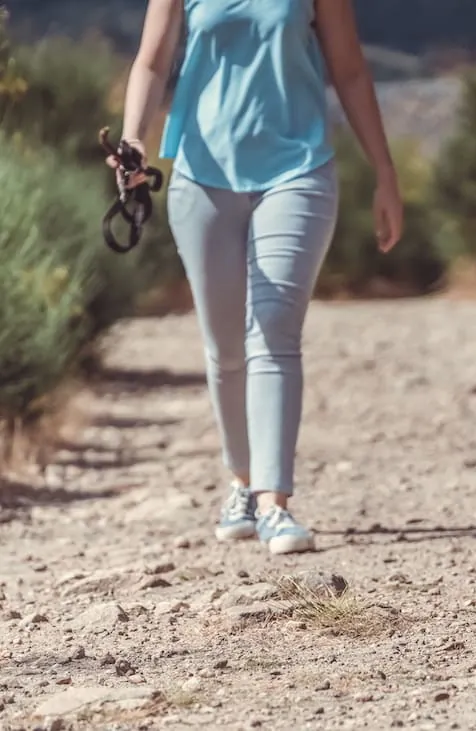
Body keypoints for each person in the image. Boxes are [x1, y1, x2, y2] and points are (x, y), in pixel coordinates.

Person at [111, 0, 404, 555]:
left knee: (273, 329)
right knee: (224, 347)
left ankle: (274, 503)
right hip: (201, 174)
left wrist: (384, 172)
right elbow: (151, 61)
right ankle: (241, 483)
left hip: (299, 170)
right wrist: (134, 139)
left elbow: (350, 69)